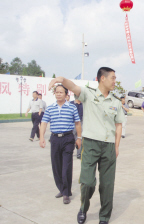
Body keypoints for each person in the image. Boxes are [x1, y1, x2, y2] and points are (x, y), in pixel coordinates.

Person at [48, 67, 124, 224]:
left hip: (108, 146)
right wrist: (61, 79)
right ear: (102, 78)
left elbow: (118, 125)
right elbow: (73, 87)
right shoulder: (88, 94)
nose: (115, 81)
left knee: (107, 185)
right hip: (90, 145)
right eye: (113, 78)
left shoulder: (116, 101)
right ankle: (83, 208)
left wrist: (116, 146)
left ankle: (104, 217)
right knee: (87, 182)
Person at [39, 85, 82, 204]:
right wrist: (42, 137)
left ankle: (66, 193)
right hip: (55, 139)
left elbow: (77, 123)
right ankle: (62, 189)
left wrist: (79, 138)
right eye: (56, 92)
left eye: (61, 92)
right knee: (56, 167)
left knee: (66, 167)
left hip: (68, 138)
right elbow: (43, 123)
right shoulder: (50, 108)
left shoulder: (72, 108)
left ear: (66, 94)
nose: (58, 94)